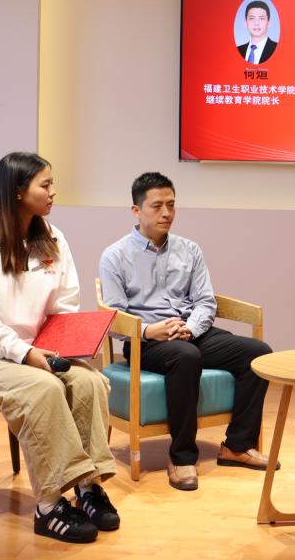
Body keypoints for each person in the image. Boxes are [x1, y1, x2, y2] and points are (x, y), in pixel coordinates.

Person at [0, 152, 118, 544]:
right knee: (44, 389)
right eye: (46, 184)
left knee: (90, 382)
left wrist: (70, 343)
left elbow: (64, 305)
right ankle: (48, 507)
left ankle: (88, 487)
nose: (53, 191)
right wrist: (24, 354)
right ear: (18, 191)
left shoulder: (54, 238)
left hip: (36, 350)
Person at [99, 172, 275, 492]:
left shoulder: (189, 249)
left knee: (258, 354)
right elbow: (114, 316)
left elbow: (205, 301)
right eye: (157, 206)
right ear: (136, 211)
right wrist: (150, 330)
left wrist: (191, 328)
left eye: (171, 205)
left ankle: (237, 445)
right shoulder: (115, 256)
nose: (166, 212)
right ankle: (182, 456)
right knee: (185, 356)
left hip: (191, 332)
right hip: (146, 340)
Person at [236, 0, 277, 64]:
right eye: (252, 18)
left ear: (269, 23)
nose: (256, 23)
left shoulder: (277, 49)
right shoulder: (238, 50)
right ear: (246, 23)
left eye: (261, 18)